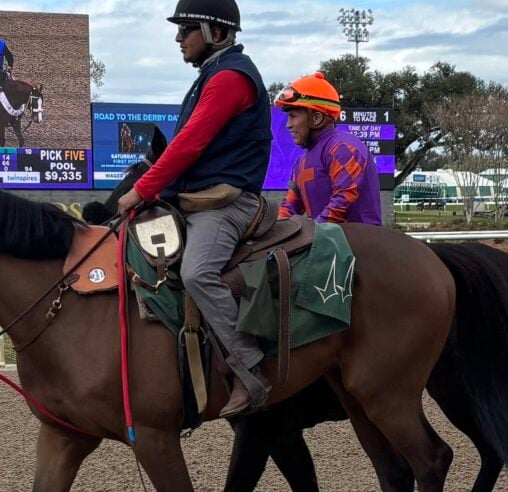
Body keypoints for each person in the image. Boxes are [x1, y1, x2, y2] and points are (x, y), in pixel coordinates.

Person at [115, 0, 273, 417]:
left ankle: (250, 369)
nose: (178, 39)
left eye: (186, 29)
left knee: (197, 271)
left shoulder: (230, 79)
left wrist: (142, 189)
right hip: (199, 201)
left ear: (216, 33)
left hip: (227, 205)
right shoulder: (211, 76)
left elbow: (189, 144)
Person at [275, 72, 381, 225]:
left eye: (293, 116)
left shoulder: (343, 148)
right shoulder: (301, 163)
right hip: (326, 240)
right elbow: (288, 209)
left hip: (359, 244)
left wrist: (312, 233)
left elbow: (342, 203)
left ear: (316, 118)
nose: (288, 125)